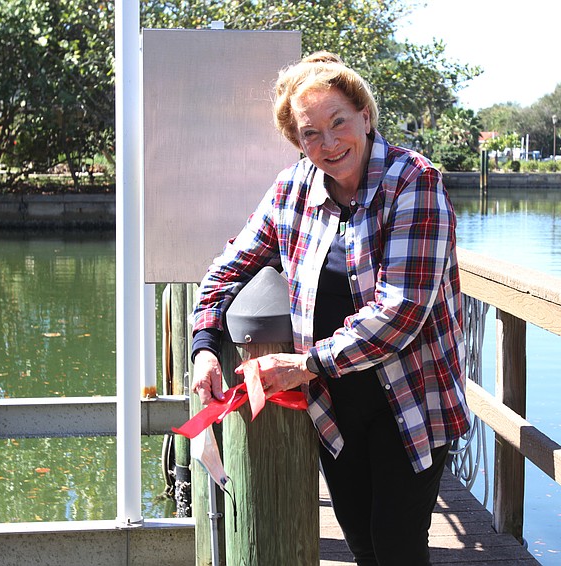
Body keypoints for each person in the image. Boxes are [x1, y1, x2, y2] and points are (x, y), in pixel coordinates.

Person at [190, 51, 471, 566]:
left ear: (365, 115)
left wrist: (303, 365)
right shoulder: (291, 189)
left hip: (410, 401)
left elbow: (401, 311)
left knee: (397, 547)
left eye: (338, 122)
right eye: (310, 133)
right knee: (362, 542)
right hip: (334, 406)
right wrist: (205, 348)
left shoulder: (414, 182)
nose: (328, 142)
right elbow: (224, 270)